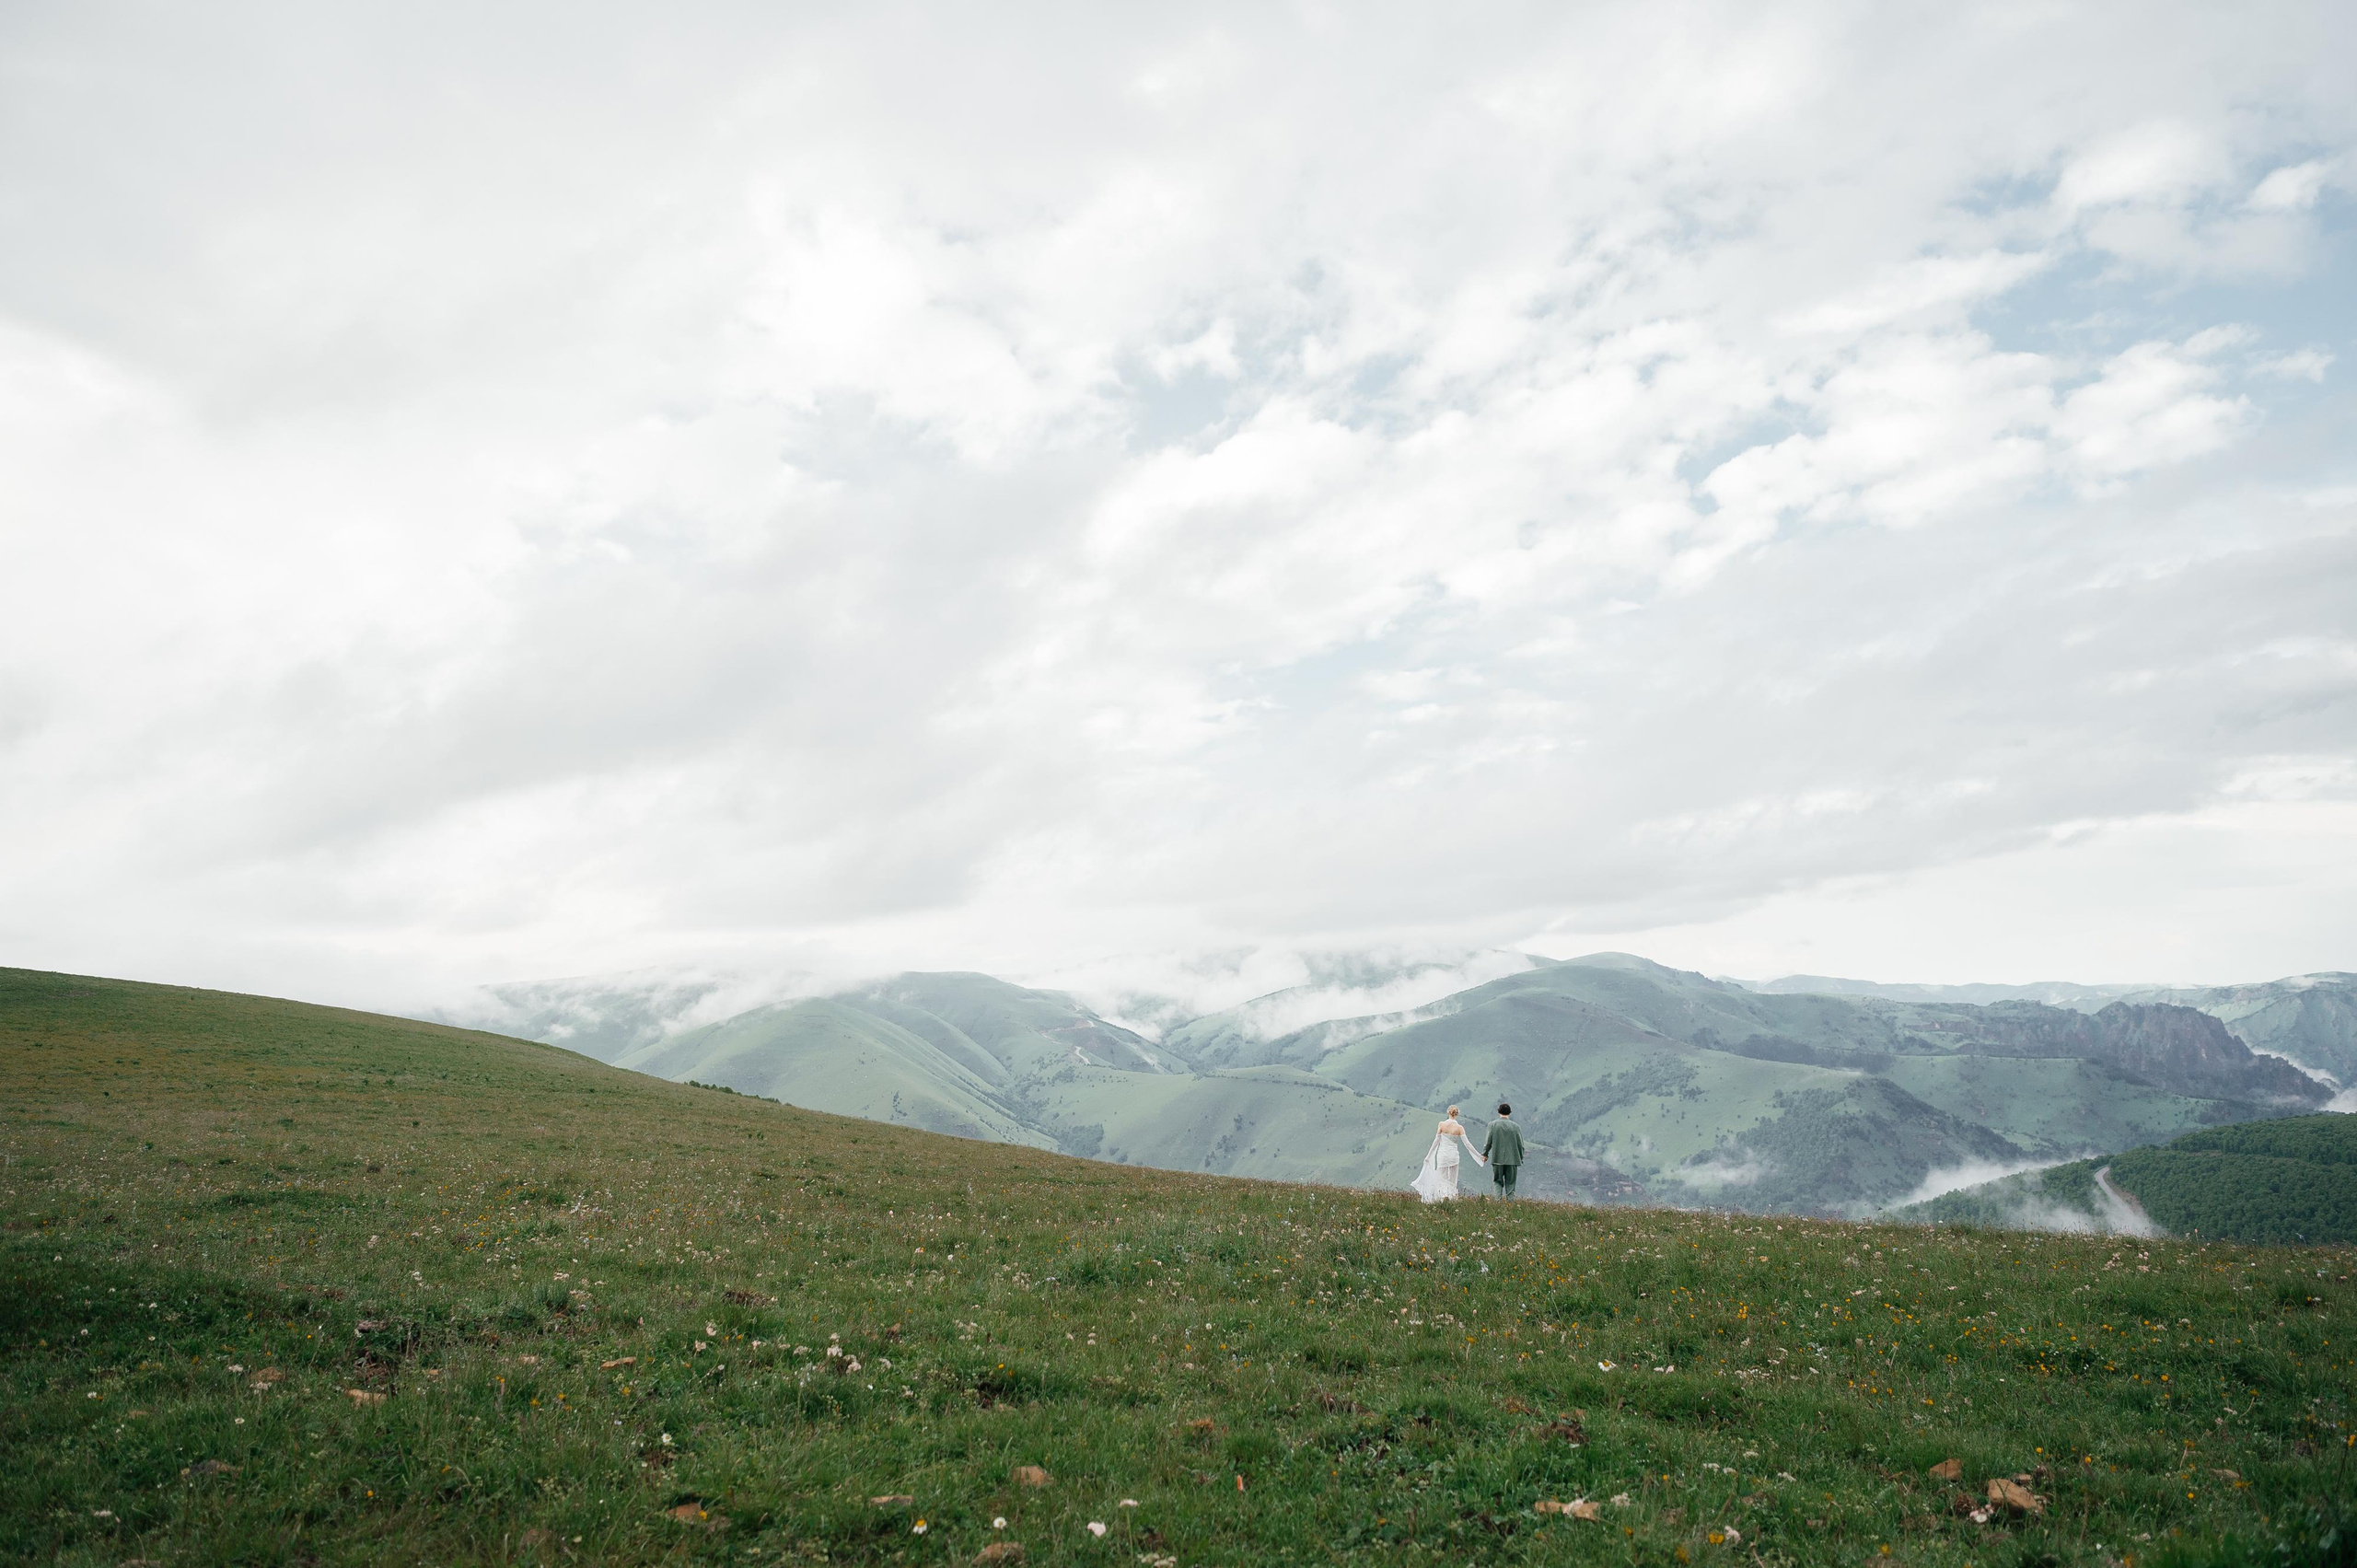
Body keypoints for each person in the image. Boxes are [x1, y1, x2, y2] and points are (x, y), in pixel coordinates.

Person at [1411, 1104, 1486, 1202]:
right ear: (1457, 1114)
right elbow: (1468, 1144)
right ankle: (1450, 1198)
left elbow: (1436, 1141)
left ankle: (1444, 1196)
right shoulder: (1459, 1128)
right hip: (1453, 1156)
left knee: (1442, 1178)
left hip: (1442, 1155)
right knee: (1452, 1180)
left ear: (1448, 1112)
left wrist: (1428, 1156)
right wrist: (1479, 1156)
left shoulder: (1441, 1124)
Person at [1482, 1102, 1524, 1199]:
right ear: (1510, 1112)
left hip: (1497, 1159)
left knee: (1497, 1181)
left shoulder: (1492, 1125)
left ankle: (1497, 1202)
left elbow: (1488, 1142)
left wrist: (1485, 1154)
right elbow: (1520, 1145)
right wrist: (1520, 1158)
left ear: (1498, 1112)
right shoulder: (1516, 1126)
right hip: (1512, 1159)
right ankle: (1510, 1203)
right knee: (1511, 1183)